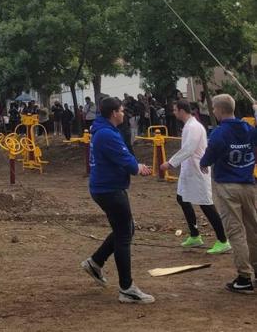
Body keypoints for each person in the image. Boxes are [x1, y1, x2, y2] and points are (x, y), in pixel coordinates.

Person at [81, 97, 154, 304]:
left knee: (126, 229)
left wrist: (134, 164)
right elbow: (127, 161)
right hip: (109, 190)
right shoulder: (106, 134)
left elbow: (123, 156)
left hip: (107, 187)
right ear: (114, 112)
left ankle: (95, 262)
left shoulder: (105, 131)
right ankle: (127, 288)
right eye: (121, 110)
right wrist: (138, 167)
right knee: (124, 234)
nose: (123, 113)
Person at [200, 94, 257, 294]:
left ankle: (244, 277)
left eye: (214, 109)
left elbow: (210, 153)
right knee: (253, 229)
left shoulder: (219, 133)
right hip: (249, 185)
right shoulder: (249, 128)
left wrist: (204, 163)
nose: (213, 112)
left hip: (227, 186)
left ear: (220, 110)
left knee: (236, 232)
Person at [159, 100, 230, 254]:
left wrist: (170, 163)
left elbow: (189, 149)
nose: (174, 113)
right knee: (182, 198)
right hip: (188, 170)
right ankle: (195, 235)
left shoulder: (194, 127)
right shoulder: (189, 126)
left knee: (205, 203)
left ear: (182, 111)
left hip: (198, 170)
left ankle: (223, 240)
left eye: (175, 110)